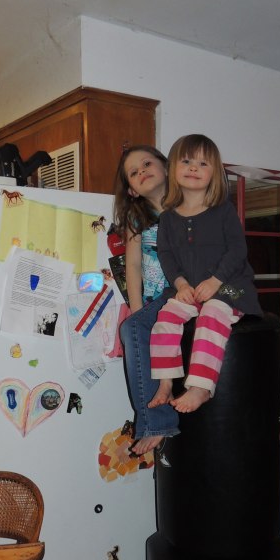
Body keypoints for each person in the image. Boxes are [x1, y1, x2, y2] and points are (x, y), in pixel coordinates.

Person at [149, 134, 262, 413]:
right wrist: (181, 284)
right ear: (174, 168)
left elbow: (238, 249)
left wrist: (216, 280)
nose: (194, 168)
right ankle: (165, 382)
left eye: (203, 163)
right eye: (186, 161)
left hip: (233, 287)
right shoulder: (168, 218)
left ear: (215, 173)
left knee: (212, 312)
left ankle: (200, 387)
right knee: (165, 319)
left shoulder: (223, 210)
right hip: (192, 290)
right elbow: (166, 255)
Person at [113, 145, 180, 455]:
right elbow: (134, 266)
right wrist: (139, 312)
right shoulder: (137, 218)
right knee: (132, 328)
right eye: (134, 172)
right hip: (156, 301)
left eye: (147, 163)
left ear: (166, 168)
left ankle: (155, 422)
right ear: (132, 189)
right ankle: (157, 420)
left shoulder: (187, 208)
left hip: (183, 293)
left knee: (131, 329)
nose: (142, 171)